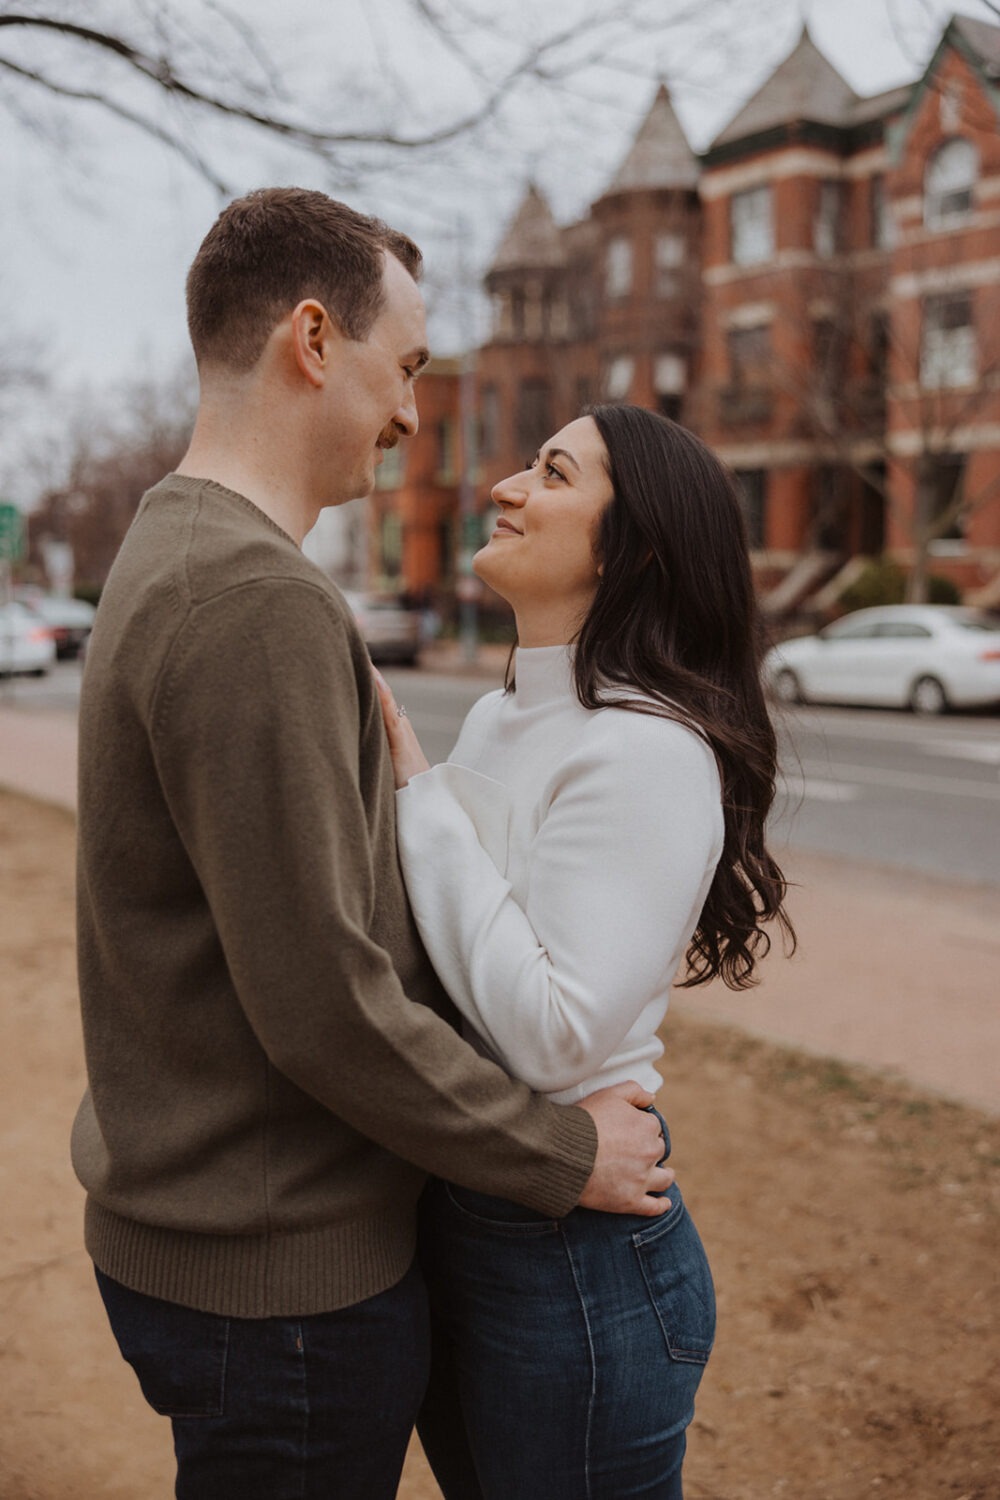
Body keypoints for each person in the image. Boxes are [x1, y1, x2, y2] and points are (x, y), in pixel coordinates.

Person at [70, 190, 674, 1500]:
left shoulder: (172, 545)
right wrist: (565, 1152)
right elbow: (323, 1007)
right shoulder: (255, 597)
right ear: (311, 340)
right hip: (280, 1283)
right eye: (404, 367)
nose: (412, 413)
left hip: (215, 1239)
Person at [374, 403, 795, 1500]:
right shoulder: (500, 717)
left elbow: (556, 1042)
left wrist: (421, 803)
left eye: (551, 473)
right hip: (469, 1214)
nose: (505, 487)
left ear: (631, 548)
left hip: (574, 1262)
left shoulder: (647, 748)